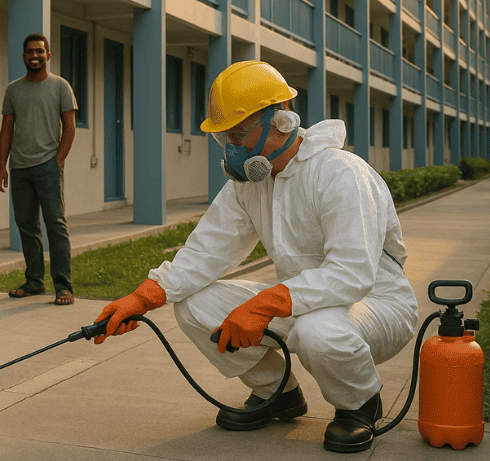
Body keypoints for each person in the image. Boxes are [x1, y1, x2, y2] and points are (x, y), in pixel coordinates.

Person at [93, 61, 418, 453]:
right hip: (302, 302)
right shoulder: (250, 184)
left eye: (240, 134)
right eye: (225, 138)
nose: (233, 148)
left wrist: (265, 304)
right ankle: (276, 393)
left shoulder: (341, 173)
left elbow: (351, 274)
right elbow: (206, 251)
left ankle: (359, 404)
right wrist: (143, 297)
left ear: (281, 119)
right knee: (195, 305)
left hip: (376, 304)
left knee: (317, 331)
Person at [0, 34, 78, 305]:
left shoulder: (60, 86)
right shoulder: (14, 89)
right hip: (20, 168)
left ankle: (63, 286)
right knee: (27, 225)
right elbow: (7, 129)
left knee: (55, 224)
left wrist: (58, 159)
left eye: (39, 51)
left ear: (48, 55)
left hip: (47, 165)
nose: (34, 55)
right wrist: (2, 165)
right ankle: (34, 282)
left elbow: (70, 127)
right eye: (30, 51)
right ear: (23, 56)